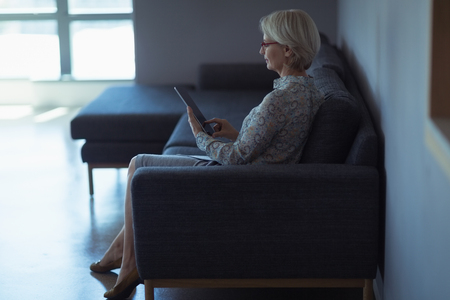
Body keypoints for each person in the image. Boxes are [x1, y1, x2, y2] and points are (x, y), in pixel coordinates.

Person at [90, 9, 325, 299]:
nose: (260, 50)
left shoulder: (279, 99)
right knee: (142, 166)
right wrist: (234, 132)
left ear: (287, 50)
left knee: (138, 164)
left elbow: (238, 157)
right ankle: (118, 254)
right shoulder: (311, 92)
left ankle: (129, 264)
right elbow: (278, 145)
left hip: (231, 181)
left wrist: (200, 136)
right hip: (251, 174)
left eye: (266, 44)